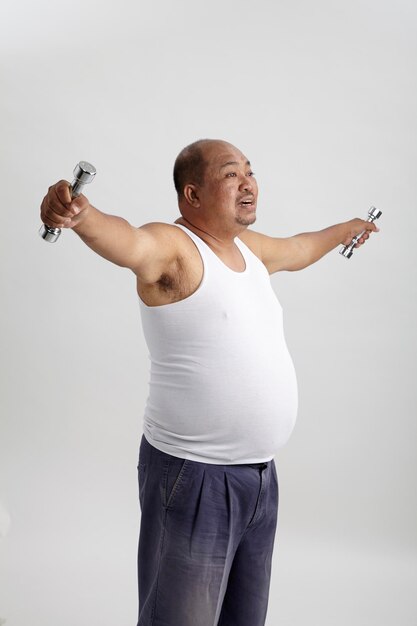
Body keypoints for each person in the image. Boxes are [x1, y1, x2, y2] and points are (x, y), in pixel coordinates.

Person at [40, 139, 379, 626]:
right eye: (230, 174)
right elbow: (128, 242)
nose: (248, 183)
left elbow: (301, 249)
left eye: (250, 171)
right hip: (194, 478)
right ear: (192, 195)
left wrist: (347, 229)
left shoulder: (248, 251)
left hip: (259, 479)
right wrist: (80, 215)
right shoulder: (173, 248)